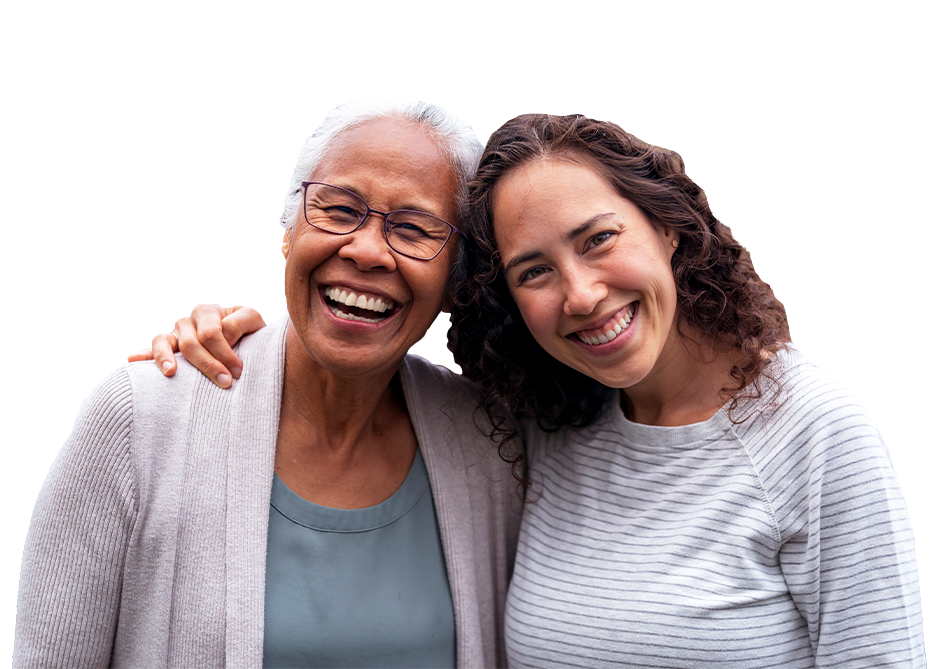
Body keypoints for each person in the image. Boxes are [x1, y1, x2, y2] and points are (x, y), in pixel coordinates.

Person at [136, 102, 926, 668]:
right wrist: (229, 331)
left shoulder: (814, 434)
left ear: (671, 223)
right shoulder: (544, 425)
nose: (580, 294)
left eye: (600, 239)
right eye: (534, 271)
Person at [13, 95, 522, 669]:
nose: (366, 250)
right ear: (286, 231)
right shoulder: (136, 418)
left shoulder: (492, 447)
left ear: (456, 277)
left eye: (413, 228)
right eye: (338, 209)